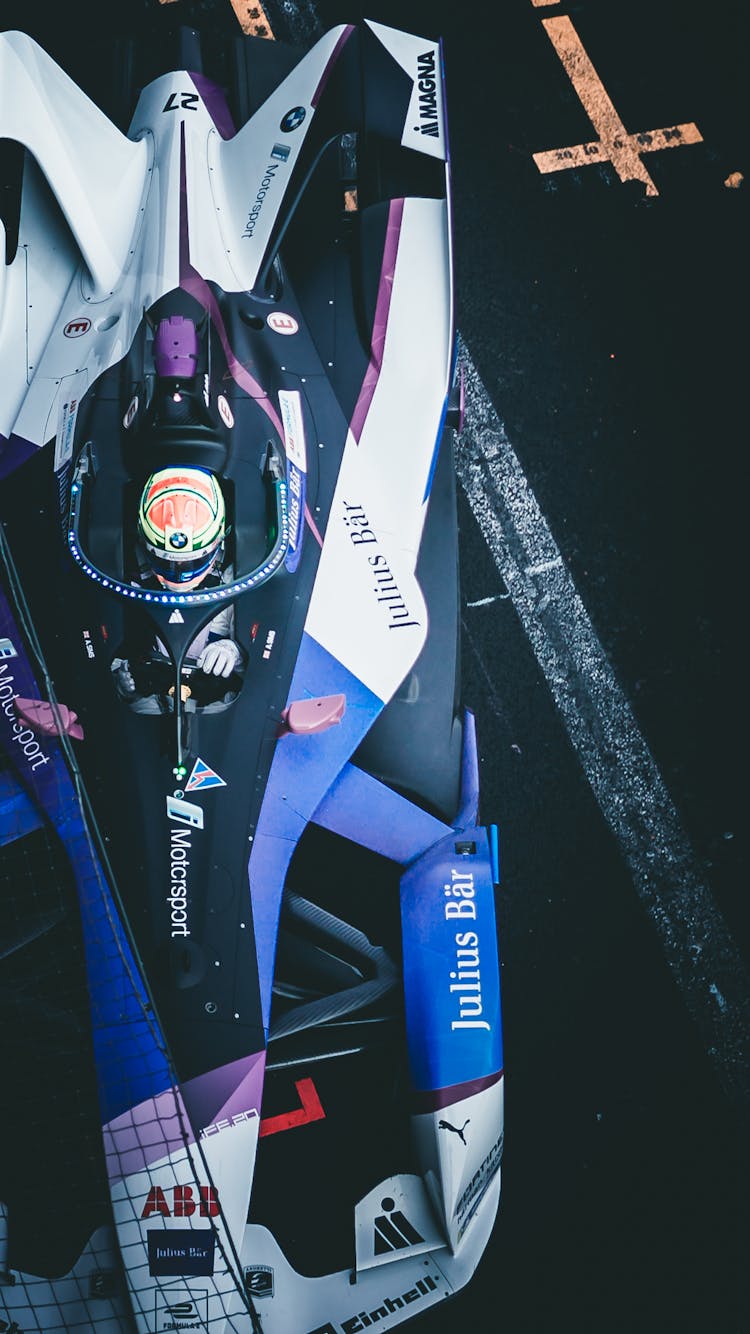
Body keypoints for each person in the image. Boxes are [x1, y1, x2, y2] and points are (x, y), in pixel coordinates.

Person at [112, 466, 244, 711]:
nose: (180, 571)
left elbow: (263, 652)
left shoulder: (235, 579)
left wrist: (233, 651)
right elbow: (106, 644)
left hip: (215, 702)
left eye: (191, 560)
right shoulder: (125, 576)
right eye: (167, 560)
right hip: (150, 697)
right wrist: (121, 681)